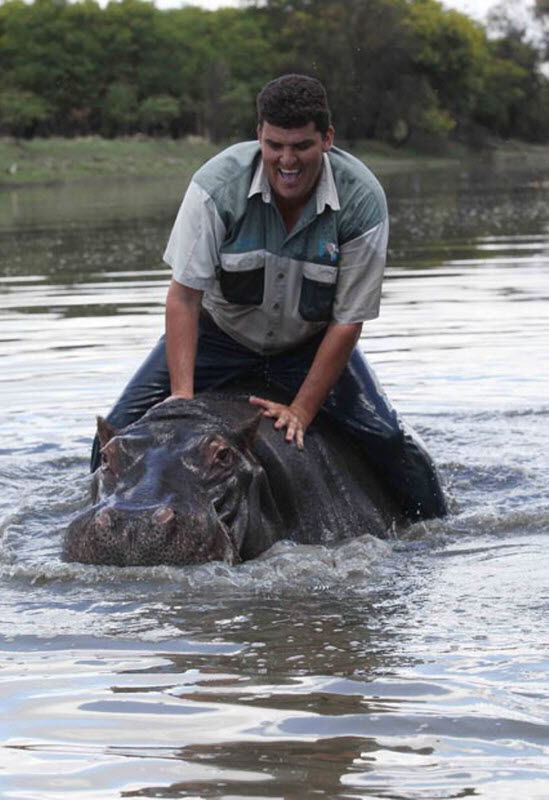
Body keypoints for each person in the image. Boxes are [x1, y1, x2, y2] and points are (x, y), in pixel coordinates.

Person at [90, 74, 446, 521]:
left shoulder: (362, 200)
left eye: (301, 146)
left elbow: (347, 321)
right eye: (275, 144)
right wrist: (182, 396)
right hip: (219, 338)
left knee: (390, 440)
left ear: (327, 139)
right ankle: (97, 521)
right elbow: (184, 298)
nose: (287, 159)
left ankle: (433, 530)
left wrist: (301, 409)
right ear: (259, 134)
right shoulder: (215, 187)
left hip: (309, 343)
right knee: (114, 433)